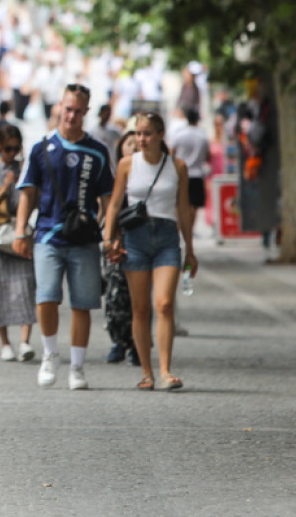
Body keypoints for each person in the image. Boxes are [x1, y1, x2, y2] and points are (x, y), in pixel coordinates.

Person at [14, 85, 113, 390]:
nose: (71, 115)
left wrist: (109, 233)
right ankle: (50, 354)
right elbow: (28, 193)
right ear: (60, 107)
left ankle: (78, 367)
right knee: (46, 297)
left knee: (83, 304)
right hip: (48, 235)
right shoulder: (42, 147)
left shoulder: (97, 151)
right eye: (67, 109)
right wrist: (21, 231)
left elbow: (109, 199)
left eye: (78, 110)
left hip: (84, 240)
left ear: (86, 112)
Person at [103, 112, 197, 391]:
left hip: (167, 237)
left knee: (165, 304)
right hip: (136, 238)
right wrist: (109, 240)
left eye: (146, 134)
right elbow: (114, 204)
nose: (141, 139)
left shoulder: (177, 166)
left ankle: (166, 370)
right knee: (140, 309)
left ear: (160, 135)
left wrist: (190, 250)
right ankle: (147, 372)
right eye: (137, 134)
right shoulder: (126, 165)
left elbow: (183, 209)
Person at [0, 124, 36, 361]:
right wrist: (4, 189)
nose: (11, 154)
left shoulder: (27, 170)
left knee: (25, 286)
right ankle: (5, 343)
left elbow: (35, 201)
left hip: (19, 232)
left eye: (15, 148)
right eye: (7, 149)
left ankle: (25, 342)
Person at [102, 131, 139, 366]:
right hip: (116, 241)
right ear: (121, 149)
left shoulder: (149, 178)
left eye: (138, 143)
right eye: (130, 144)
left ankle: (137, 344)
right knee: (115, 295)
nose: (135, 147)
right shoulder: (114, 178)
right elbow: (106, 208)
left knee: (139, 297)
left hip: (140, 242)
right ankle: (118, 341)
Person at [170, 108, 209, 233]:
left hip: (180, 174)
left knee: (180, 204)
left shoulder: (179, 135)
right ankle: (190, 230)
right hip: (197, 173)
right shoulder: (202, 136)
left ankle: (179, 227)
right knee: (194, 205)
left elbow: (172, 153)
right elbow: (207, 156)